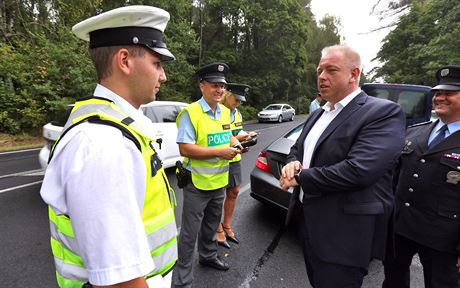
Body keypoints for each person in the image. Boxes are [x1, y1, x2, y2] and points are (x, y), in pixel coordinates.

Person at [39, 6, 178, 288]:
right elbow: (119, 281)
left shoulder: (118, 126)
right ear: (124, 60)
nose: (163, 76)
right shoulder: (103, 144)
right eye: (157, 63)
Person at [279, 45, 406, 287]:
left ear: (354, 74)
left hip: (344, 235)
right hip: (309, 224)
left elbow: (359, 170)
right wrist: (292, 162)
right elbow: (298, 148)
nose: (321, 77)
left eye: (331, 70)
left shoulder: (382, 112)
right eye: (319, 71)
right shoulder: (319, 113)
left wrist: (301, 178)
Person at [382, 65, 460, 288]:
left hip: (443, 239)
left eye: (449, 93)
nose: (439, 97)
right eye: (437, 92)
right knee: (393, 281)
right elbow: (393, 177)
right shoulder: (415, 132)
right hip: (400, 228)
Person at [172, 63, 240, 288]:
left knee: (211, 226)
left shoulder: (225, 112)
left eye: (222, 86)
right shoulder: (190, 113)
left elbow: (227, 136)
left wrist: (236, 142)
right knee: (189, 234)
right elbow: (185, 149)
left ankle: (209, 256)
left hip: (219, 182)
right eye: (214, 85)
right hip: (197, 184)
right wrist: (220, 152)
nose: (220, 90)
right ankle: (182, 280)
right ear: (202, 86)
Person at [216, 83, 256, 249]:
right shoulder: (216, 110)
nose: (238, 103)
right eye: (236, 99)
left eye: (241, 101)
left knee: (234, 191)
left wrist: (246, 137)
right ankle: (217, 228)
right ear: (227, 94)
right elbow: (221, 135)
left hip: (234, 157)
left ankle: (227, 225)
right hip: (218, 158)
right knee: (216, 196)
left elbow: (234, 134)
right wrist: (237, 139)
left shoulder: (237, 113)